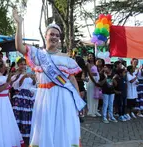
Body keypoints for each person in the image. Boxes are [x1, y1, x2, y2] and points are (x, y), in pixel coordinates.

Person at [13, 9, 85, 147]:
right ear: (45, 36)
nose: (54, 37)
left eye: (57, 35)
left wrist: (78, 101)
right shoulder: (38, 54)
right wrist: (19, 24)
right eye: (51, 34)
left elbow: (72, 79)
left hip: (64, 97)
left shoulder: (66, 58)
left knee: (62, 127)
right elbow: (19, 46)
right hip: (44, 97)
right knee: (44, 128)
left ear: (59, 38)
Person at [0, 53, 24, 147]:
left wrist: (9, 80)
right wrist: (7, 83)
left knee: (5, 126)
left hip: (4, 104)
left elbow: (6, 89)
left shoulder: (1, 75)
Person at [11, 58, 36, 143]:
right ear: (18, 65)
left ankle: (26, 137)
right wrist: (23, 77)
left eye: (24, 64)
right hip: (20, 98)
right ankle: (18, 137)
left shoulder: (29, 74)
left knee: (27, 116)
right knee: (20, 116)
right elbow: (17, 85)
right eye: (21, 64)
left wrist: (34, 79)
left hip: (28, 98)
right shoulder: (15, 75)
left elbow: (33, 85)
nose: (23, 66)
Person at [86, 53, 101, 117]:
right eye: (89, 56)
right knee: (91, 96)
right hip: (92, 81)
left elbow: (97, 72)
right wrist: (94, 82)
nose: (90, 57)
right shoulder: (88, 64)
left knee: (96, 96)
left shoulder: (95, 64)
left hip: (97, 81)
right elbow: (90, 74)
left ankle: (95, 110)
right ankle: (91, 111)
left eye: (91, 56)